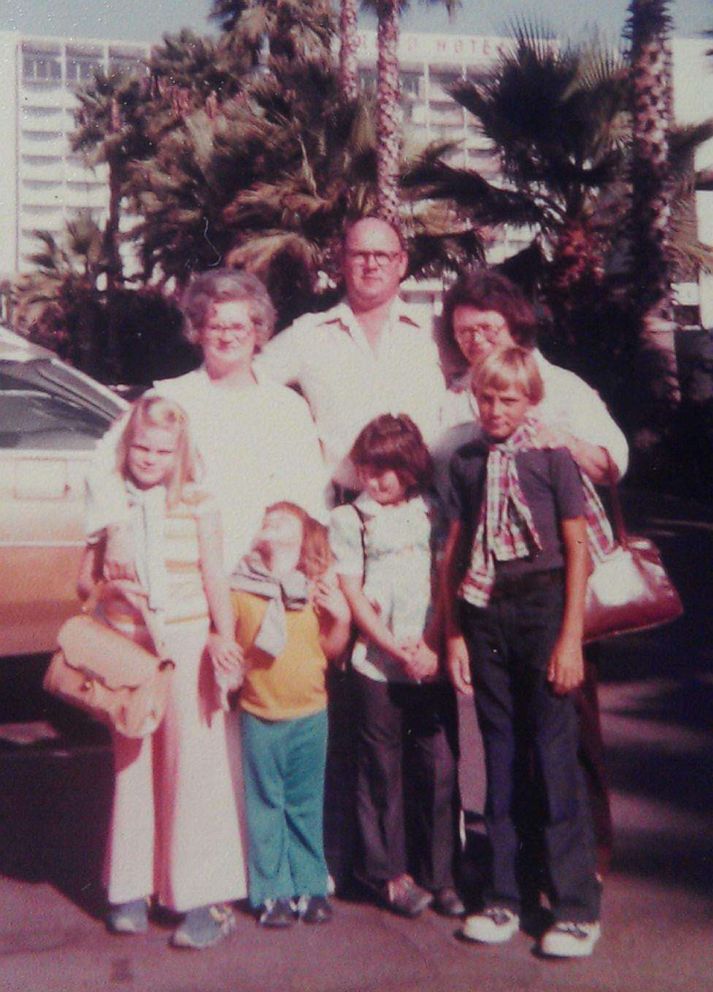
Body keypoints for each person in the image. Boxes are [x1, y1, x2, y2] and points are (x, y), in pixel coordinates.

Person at [436, 267, 628, 875]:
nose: (475, 340)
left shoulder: (560, 385)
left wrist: (552, 438)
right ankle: (524, 856)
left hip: (559, 584)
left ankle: (587, 856)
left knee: (570, 722)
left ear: (514, 321)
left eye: (485, 327)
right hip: (490, 592)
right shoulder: (460, 394)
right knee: (508, 731)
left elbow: (611, 461)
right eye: (464, 332)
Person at [442, 347, 606, 958]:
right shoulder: (465, 464)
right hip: (485, 616)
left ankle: (574, 908)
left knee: (555, 757)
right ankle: (504, 896)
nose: (495, 409)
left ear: (530, 402)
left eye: (508, 399)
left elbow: (577, 550)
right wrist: (454, 632)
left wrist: (570, 639)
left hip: (542, 613)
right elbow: (453, 555)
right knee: (500, 758)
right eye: (486, 398)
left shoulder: (552, 459)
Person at [77, 395, 246, 950]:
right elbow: (84, 584)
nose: (149, 458)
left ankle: (197, 897)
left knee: (193, 769)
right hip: (128, 647)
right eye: (141, 447)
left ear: (180, 453)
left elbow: (215, 576)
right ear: (127, 447)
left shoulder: (199, 501)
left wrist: (224, 636)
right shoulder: (110, 506)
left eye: (162, 450)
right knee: (133, 764)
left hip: (189, 641)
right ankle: (129, 891)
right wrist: (111, 586)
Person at [86, 268, 328, 576]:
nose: (227, 337)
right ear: (198, 331)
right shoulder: (171, 396)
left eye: (238, 326)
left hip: (262, 576)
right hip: (182, 574)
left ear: (258, 330)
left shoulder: (288, 408)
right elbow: (104, 463)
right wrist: (117, 530)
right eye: (215, 326)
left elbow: (309, 492)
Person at [329, 415, 463, 919]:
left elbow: (446, 578)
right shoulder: (351, 519)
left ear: (411, 469)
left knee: (437, 766)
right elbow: (353, 593)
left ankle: (440, 873)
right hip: (377, 664)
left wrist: (430, 646)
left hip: (428, 659)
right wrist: (388, 644)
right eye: (368, 467)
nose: (377, 479)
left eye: (388, 469)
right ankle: (388, 874)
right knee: (380, 770)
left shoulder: (432, 510)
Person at [254, 217, 446, 501]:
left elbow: (504, 373)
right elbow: (244, 382)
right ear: (342, 261)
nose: (371, 264)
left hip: (427, 508)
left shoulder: (435, 332)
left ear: (401, 263)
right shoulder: (309, 335)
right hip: (343, 513)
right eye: (359, 254)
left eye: (382, 255)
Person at [230, 503, 351, 928]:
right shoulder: (239, 587)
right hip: (260, 713)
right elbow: (224, 639)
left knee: (305, 804)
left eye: (284, 519)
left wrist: (343, 618)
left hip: (310, 714)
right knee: (265, 806)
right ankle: (271, 891)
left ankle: (311, 885)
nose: (272, 522)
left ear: (303, 539)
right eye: (267, 518)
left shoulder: (315, 588)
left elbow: (332, 650)